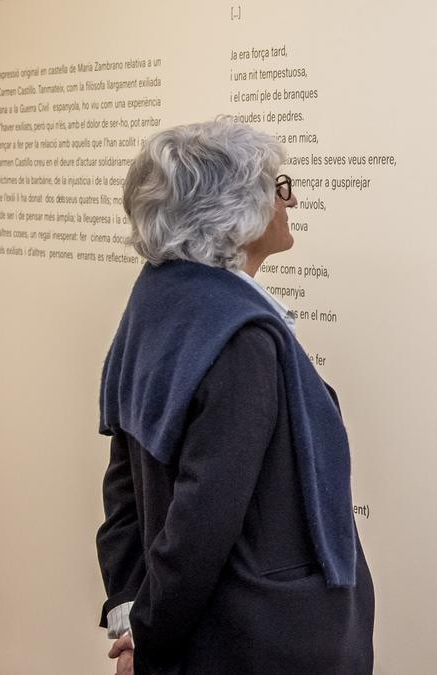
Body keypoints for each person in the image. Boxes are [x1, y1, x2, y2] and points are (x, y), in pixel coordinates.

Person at [96, 119, 373, 673]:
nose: (288, 199)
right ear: (235, 215)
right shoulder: (240, 338)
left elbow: (122, 479)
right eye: (277, 185)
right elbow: (203, 522)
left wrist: (130, 608)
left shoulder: (157, 300)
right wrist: (148, 636)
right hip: (255, 638)